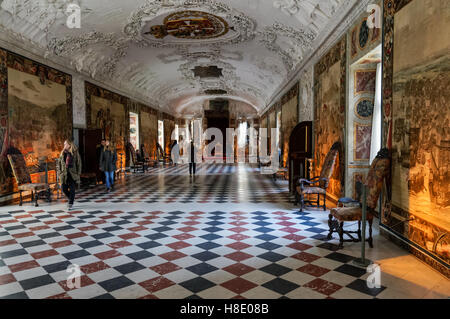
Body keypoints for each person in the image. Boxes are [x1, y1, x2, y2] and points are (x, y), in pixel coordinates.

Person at [57, 139, 82, 210]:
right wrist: (60, 172)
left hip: (72, 174)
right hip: (64, 174)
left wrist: (78, 173)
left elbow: (79, 163)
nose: (64, 145)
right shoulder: (62, 153)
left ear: (69, 145)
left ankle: (70, 202)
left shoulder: (75, 153)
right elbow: (59, 164)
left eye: (65, 144)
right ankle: (71, 198)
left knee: (72, 189)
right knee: (63, 188)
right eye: (64, 144)